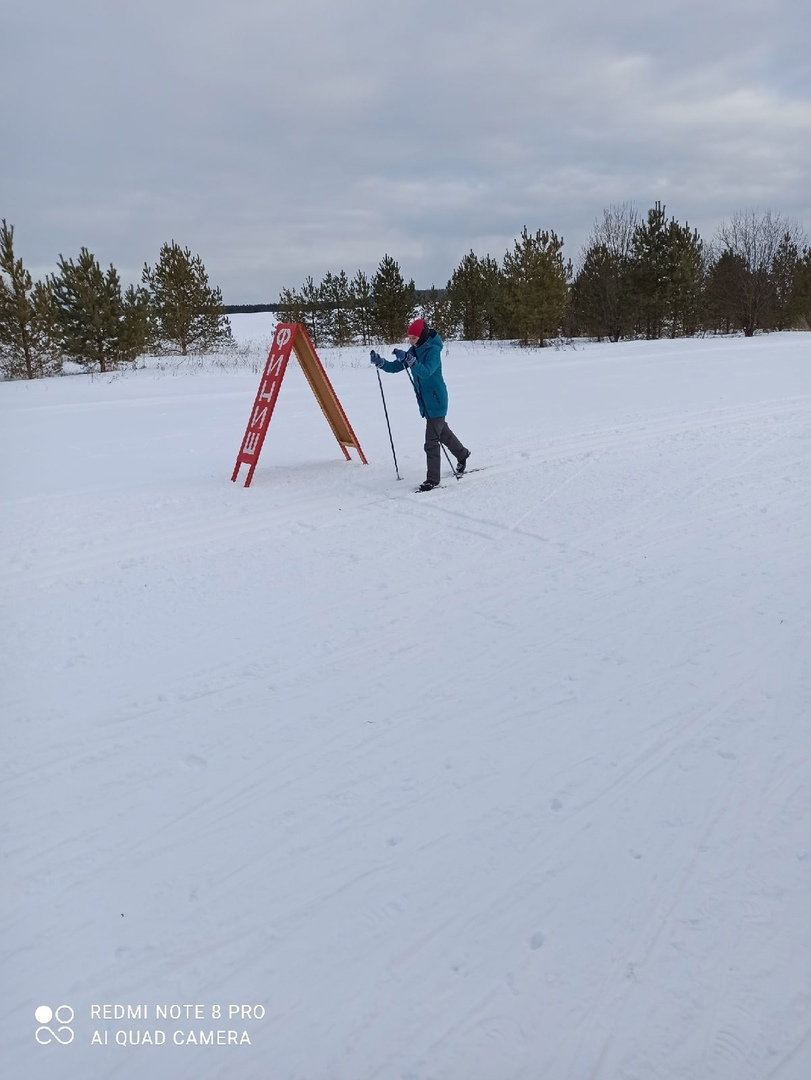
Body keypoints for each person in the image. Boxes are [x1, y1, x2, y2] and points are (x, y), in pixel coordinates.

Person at [370, 318, 470, 491]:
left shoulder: (433, 351)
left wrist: (410, 360)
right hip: (425, 402)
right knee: (443, 434)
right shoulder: (415, 350)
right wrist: (382, 363)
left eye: (414, 338)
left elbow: (426, 372)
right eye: (409, 338)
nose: (411, 341)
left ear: (422, 336)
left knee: (431, 441)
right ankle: (462, 454)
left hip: (437, 400)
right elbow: (396, 367)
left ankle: (433, 479)